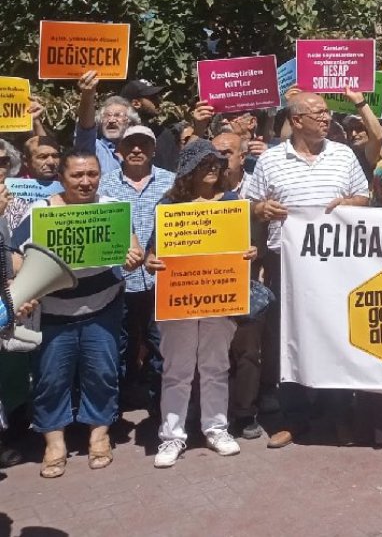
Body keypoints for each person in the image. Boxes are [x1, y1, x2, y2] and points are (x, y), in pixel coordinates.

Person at [242, 91, 370, 449]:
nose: (327, 118)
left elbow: (364, 197)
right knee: (290, 338)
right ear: (296, 120)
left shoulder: (343, 154)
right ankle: (294, 417)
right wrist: (262, 209)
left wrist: (348, 202)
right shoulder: (270, 160)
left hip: (336, 264)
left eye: (327, 112)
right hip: (287, 264)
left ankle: (339, 415)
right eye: (318, 113)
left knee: (336, 335)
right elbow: (250, 204)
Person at [10, 152, 143, 478]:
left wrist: (134, 256)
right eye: (77, 175)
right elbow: (15, 253)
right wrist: (25, 284)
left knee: (102, 373)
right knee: (51, 379)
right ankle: (54, 444)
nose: (86, 182)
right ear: (62, 178)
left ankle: (99, 436)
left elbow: (133, 245)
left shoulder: (112, 208)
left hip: (103, 310)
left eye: (92, 174)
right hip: (54, 315)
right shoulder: (40, 211)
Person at [144, 140, 257, 467]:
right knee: (176, 370)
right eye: (204, 163)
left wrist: (250, 252)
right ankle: (172, 436)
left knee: (216, 367)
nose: (212, 168)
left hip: (219, 297)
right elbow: (153, 251)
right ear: (188, 169)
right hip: (179, 299)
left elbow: (245, 246)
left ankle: (216, 429)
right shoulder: (170, 204)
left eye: (217, 163)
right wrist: (151, 261)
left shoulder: (233, 203)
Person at [98, 125, 175, 415]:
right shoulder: (104, 185)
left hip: (161, 279)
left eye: (144, 144)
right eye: (130, 144)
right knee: (119, 344)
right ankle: (116, 406)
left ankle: (160, 405)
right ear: (119, 150)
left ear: (154, 150)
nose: (137, 149)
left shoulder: (172, 182)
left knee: (160, 343)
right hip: (119, 280)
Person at [211, 133, 264, 440]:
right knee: (214, 354)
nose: (219, 161)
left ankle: (245, 412)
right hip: (209, 284)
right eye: (214, 154)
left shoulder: (259, 188)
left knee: (247, 352)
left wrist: (258, 251)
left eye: (226, 153)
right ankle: (214, 413)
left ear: (242, 157)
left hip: (248, 281)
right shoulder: (201, 190)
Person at [73, 70, 140, 175]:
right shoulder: (94, 148)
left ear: (130, 123)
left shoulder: (140, 151)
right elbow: (85, 129)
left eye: (118, 115)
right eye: (107, 115)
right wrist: (87, 94)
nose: (111, 120)